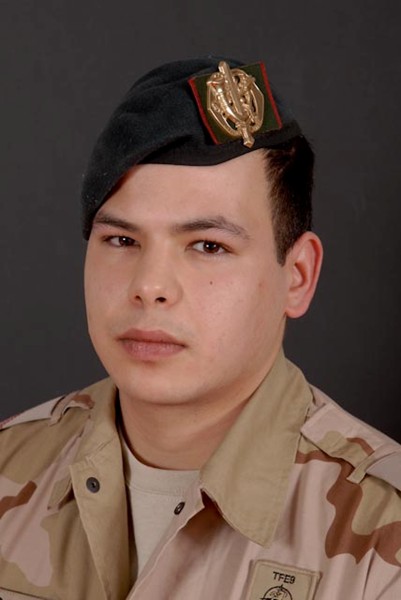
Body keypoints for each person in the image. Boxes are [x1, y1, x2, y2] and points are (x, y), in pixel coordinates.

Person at [0, 57, 400, 600]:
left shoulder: (384, 531)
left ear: (297, 276)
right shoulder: (9, 468)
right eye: (122, 240)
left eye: (208, 246)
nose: (150, 286)